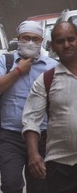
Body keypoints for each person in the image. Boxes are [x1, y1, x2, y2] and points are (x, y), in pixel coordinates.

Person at [0, 20, 58, 193]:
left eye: (35, 39)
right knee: (11, 185)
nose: (31, 42)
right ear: (18, 39)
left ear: (41, 41)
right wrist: (17, 71)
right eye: (26, 38)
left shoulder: (52, 66)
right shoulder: (6, 61)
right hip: (10, 135)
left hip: (42, 138)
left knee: (40, 186)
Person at [22, 21, 77, 193]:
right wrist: (33, 153)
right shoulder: (46, 80)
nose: (66, 45)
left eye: (71, 39)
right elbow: (31, 120)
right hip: (60, 167)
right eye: (60, 41)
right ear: (52, 46)